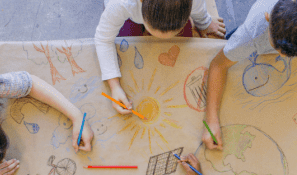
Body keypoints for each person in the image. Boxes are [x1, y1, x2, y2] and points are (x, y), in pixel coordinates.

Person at [202, 0, 297, 150]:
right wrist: (211, 120)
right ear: (268, 18)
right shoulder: (253, 31)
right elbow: (218, 65)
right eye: (276, 48)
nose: (282, 56)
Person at [95, 0, 226, 115]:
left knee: (183, 39)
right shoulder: (121, 4)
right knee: (124, 44)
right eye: (152, 32)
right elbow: (103, 39)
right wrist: (114, 86)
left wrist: (205, 23)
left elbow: (199, 9)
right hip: (129, 14)